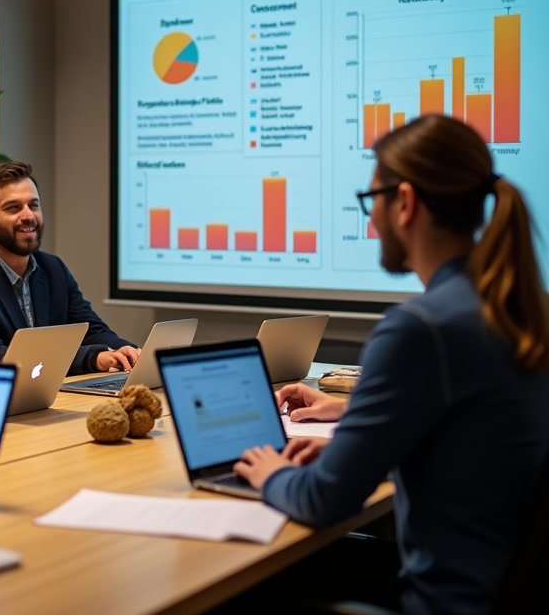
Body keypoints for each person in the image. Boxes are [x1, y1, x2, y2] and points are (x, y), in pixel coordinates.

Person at [233, 116, 549, 615]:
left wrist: (270, 472)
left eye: (370, 202)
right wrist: (355, 410)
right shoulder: (516, 308)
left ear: (404, 202)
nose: (370, 221)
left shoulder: (421, 327)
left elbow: (323, 501)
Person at [0, 161, 139, 375]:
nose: (28, 216)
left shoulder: (54, 269)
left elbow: (94, 331)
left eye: (33, 205)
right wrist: (92, 357)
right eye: (13, 208)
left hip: (56, 394)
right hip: (1, 402)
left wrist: (129, 352)